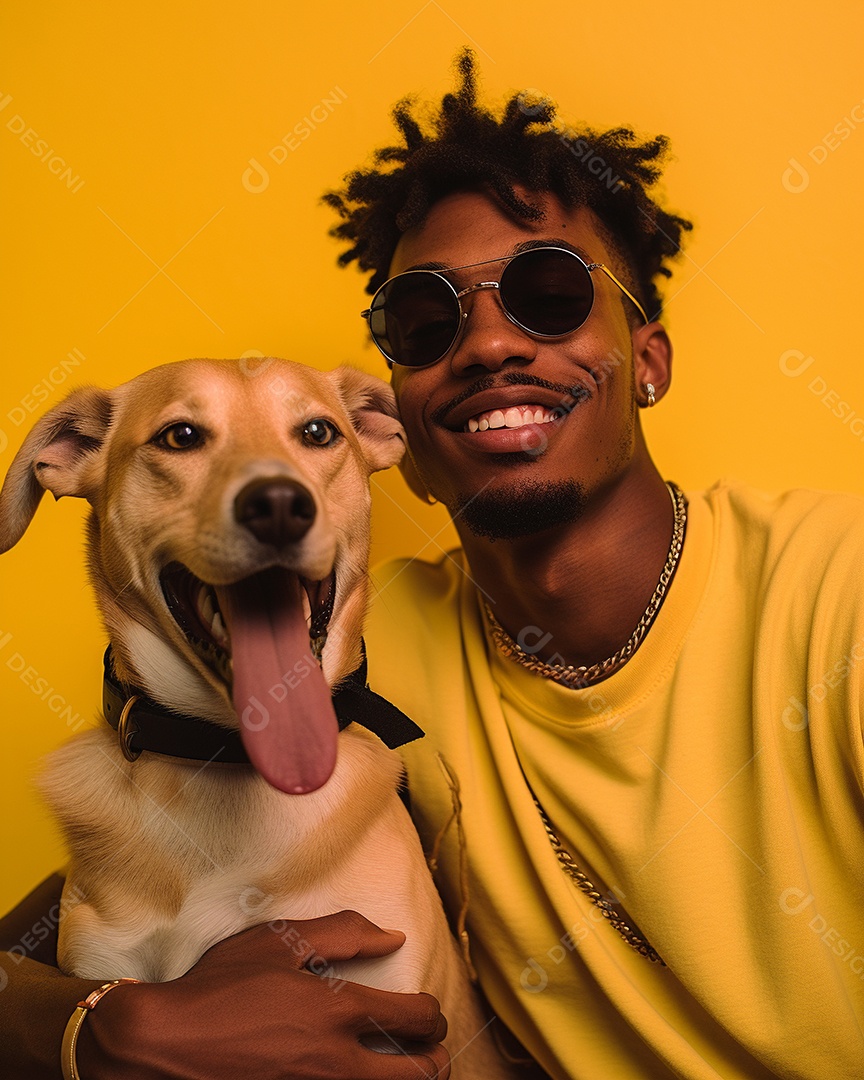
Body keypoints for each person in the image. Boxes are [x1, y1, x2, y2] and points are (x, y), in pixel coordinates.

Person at [2, 49, 862, 1080]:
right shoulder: (352, 653)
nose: (491, 344)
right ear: (398, 412)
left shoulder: (836, 591)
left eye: (549, 293)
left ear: (649, 358)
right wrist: (98, 1028)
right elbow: (71, 915)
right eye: (428, 320)